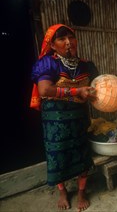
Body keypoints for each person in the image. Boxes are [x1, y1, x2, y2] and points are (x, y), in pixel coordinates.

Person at [30, 24, 99, 211]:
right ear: (52, 45)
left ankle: (82, 192)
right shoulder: (48, 63)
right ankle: (62, 192)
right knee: (58, 155)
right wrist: (76, 90)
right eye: (62, 39)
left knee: (82, 154)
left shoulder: (85, 65)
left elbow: (98, 89)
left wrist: (114, 99)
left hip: (78, 117)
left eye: (71, 37)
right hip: (55, 120)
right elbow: (45, 89)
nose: (68, 42)